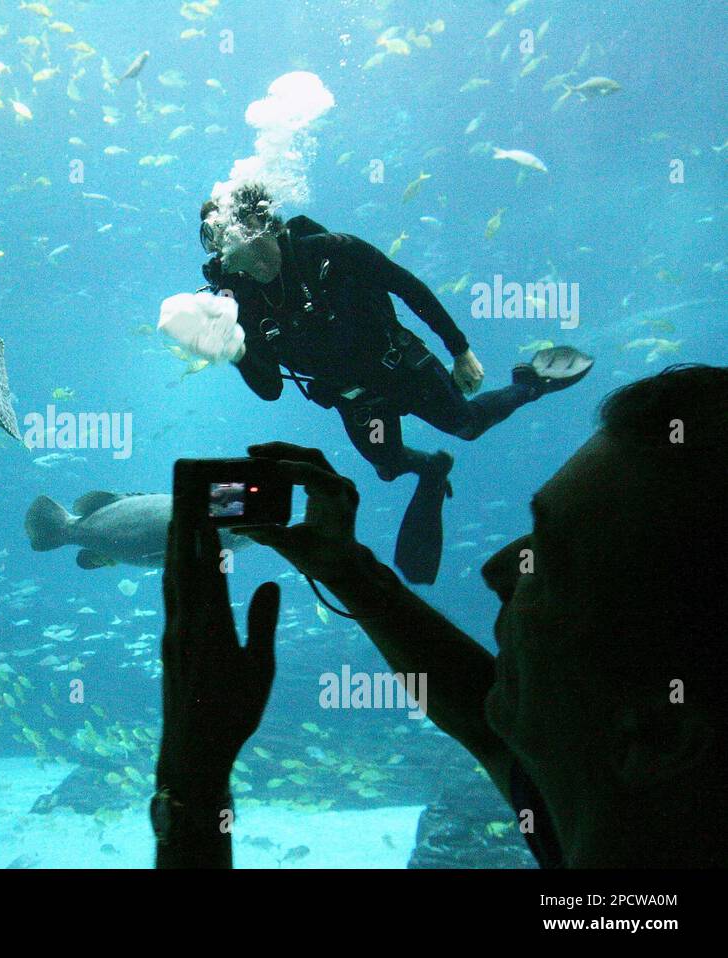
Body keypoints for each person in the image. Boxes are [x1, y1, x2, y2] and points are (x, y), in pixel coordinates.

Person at [154, 365, 728, 868]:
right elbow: (492, 726)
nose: (498, 569)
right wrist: (349, 570)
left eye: (549, 557)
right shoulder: (634, 819)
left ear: (657, 731)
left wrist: (192, 775)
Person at [159, 183, 595, 584]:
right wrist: (234, 351)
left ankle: (530, 383)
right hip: (358, 401)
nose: (231, 253)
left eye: (233, 235)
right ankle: (430, 467)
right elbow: (270, 389)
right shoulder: (243, 305)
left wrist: (459, 350)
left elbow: (407, 286)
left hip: (402, 368)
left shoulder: (330, 251)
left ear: (263, 223)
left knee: (466, 424)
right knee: (387, 466)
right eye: (219, 244)